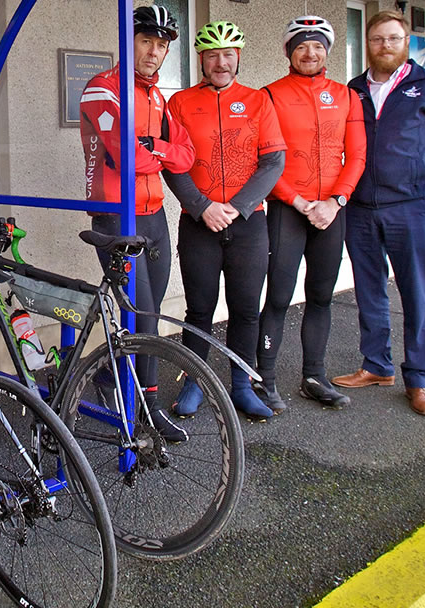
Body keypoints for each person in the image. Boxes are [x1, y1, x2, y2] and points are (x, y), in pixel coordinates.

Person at [332, 10, 425, 416]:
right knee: (369, 289)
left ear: (405, 43)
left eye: (393, 38)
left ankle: (420, 380)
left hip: (412, 209)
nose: (384, 45)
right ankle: (376, 365)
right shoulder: (352, 90)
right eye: (377, 39)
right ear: (368, 44)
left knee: (416, 293)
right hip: (360, 208)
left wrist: (420, 179)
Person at [79, 5, 196, 441]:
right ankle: (145, 409)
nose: (154, 51)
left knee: (150, 314)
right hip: (115, 216)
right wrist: (156, 149)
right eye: (146, 41)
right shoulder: (102, 90)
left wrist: (155, 148)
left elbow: (185, 155)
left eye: (161, 44)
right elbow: (129, 157)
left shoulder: (156, 96)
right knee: (143, 321)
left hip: (153, 214)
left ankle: (111, 377)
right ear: (129, 42)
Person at [165, 21, 286, 420]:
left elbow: (273, 162)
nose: (221, 62)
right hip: (198, 222)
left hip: (248, 222)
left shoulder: (258, 101)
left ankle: (240, 385)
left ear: (238, 58)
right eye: (212, 55)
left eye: (228, 54)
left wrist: (237, 206)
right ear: (201, 59)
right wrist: (202, 207)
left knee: (246, 309)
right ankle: (195, 382)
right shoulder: (180, 102)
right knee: (199, 309)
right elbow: (172, 163)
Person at [254, 16, 366, 412]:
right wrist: (300, 202)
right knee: (280, 297)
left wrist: (336, 201)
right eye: (301, 46)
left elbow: (357, 156)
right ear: (289, 52)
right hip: (288, 209)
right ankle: (263, 380)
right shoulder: (270, 95)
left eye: (317, 45)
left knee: (321, 296)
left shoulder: (346, 96)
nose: (310, 53)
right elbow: (264, 159)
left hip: (331, 212)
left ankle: (314, 376)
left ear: (327, 51)